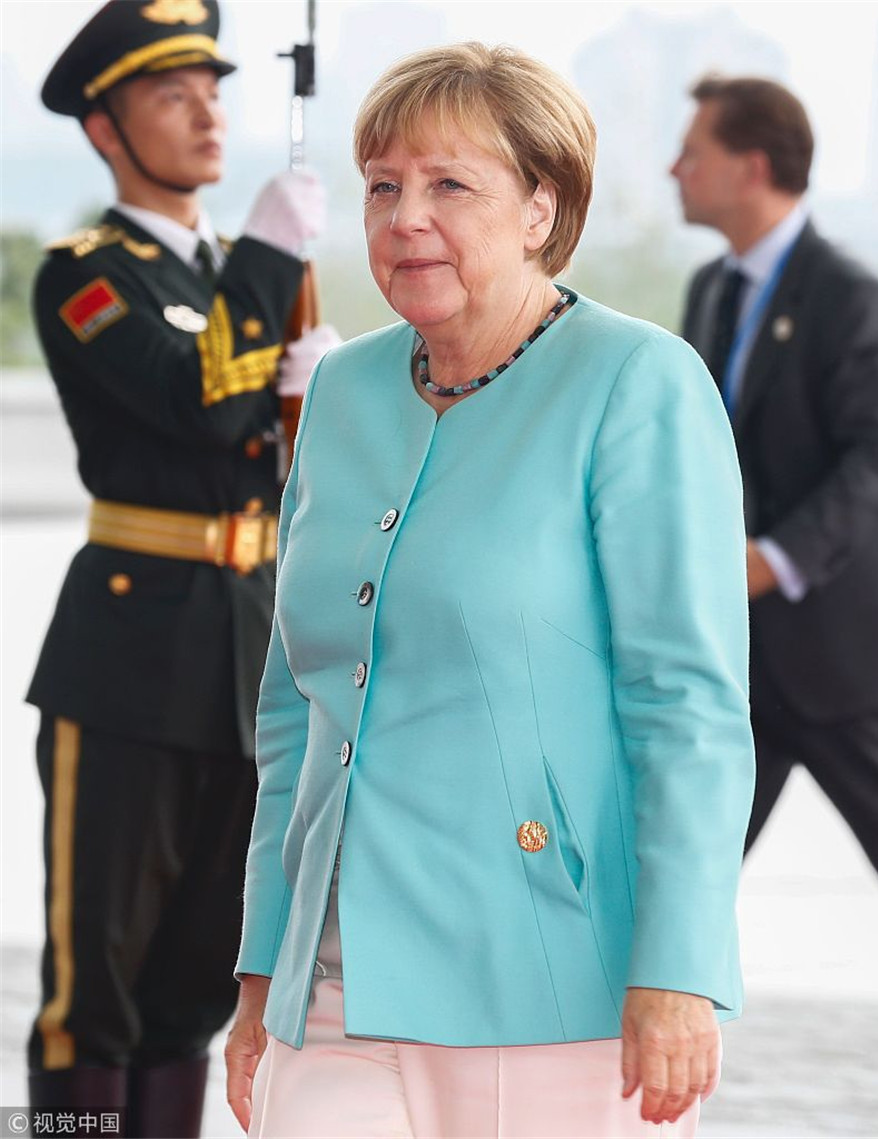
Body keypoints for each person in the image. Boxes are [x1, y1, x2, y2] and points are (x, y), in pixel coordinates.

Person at [225, 43, 755, 1139]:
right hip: (331, 993)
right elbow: (293, 713)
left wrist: (679, 968)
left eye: (450, 185)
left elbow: (688, 706)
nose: (406, 217)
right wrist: (258, 970)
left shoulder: (638, 382)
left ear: (539, 208)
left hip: (548, 983)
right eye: (383, 186)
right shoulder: (341, 387)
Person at [27, 2, 338, 1134]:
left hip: (249, 655)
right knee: (92, 991)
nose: (209, 114)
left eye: (214, 91)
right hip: (128, 658)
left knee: (198, 982)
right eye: (173, 95)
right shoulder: (86, 276)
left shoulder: (239, 277)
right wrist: (265, 256)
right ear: (105, 129)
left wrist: (325, 396)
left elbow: (279, 462)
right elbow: (195, 400)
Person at [671, 76, 878, 898]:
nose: (674, 169)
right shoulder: (711, 289)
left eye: (693, 152)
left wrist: (773, 559)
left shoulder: (849, 296)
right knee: (677, 871)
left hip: (840, 656)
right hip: (735, 661)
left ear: (752, 167)